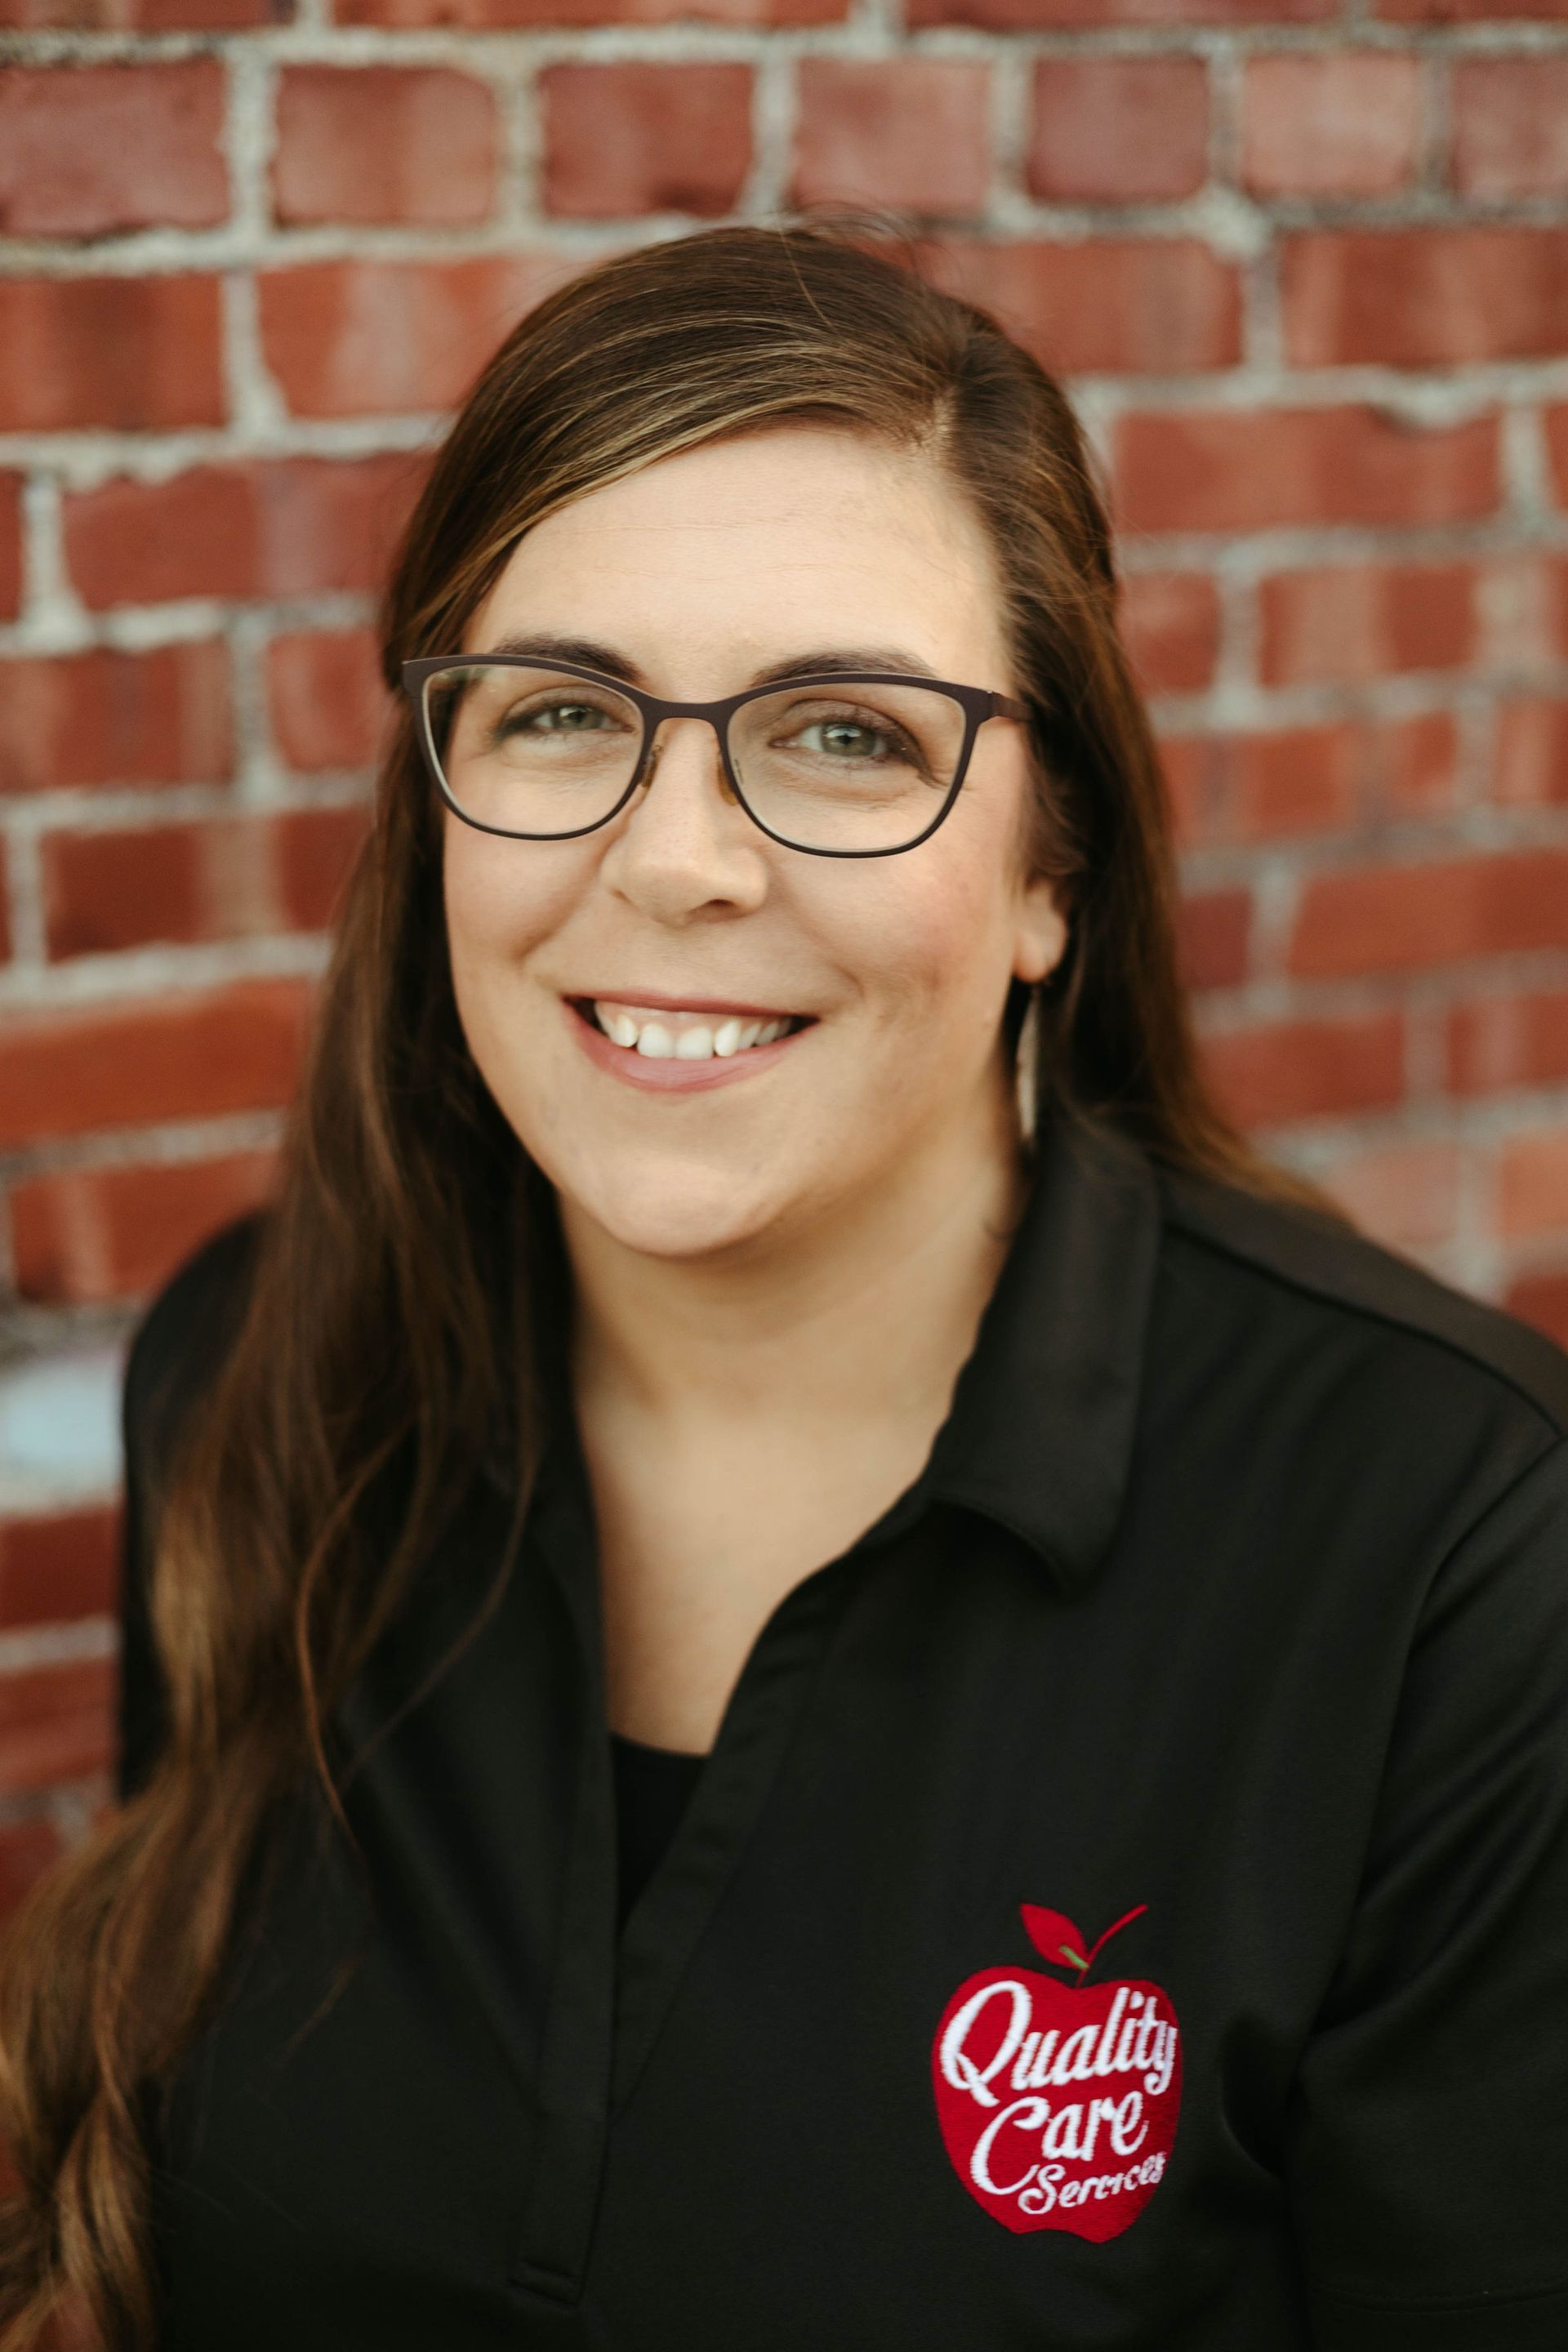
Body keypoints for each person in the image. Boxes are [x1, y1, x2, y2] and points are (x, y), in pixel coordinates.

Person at [2, 221, 1566, 2352]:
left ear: (1052, 874)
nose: (677, 860)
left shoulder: (1445, 1556)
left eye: (844, 735)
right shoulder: (265, 1374)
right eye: (563, 712)